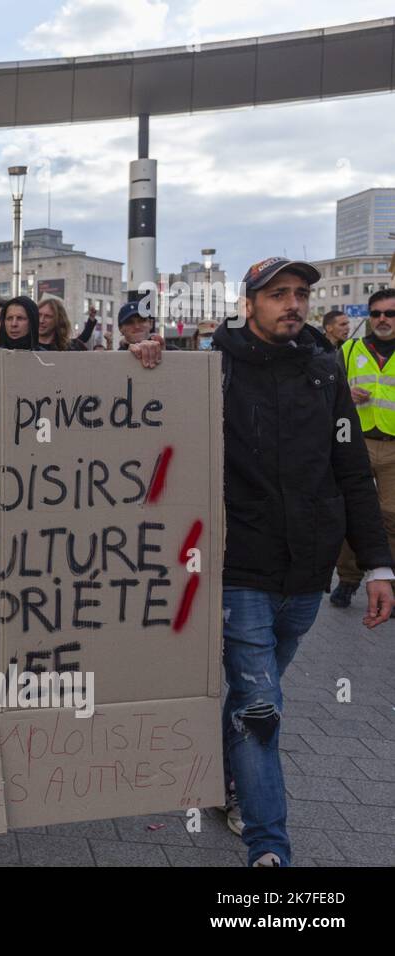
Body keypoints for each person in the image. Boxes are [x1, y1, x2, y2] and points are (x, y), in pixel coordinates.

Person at [137, 257, 393, 866]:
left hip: (307, 570)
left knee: (257, 693)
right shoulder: (210, 369)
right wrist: (143, 364)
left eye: (301, 293)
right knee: (260, 703)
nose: (293, 304)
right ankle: (268, 846)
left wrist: (378, 566)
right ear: (248, 302)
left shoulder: (324, 371)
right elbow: (130, 419)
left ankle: (228, 773)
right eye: (278, 294)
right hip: (239, 567)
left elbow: (353, 474)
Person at [332, 288, 395, 610]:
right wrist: (345, 391)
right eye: (376, 313)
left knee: (390, 516)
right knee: (351, 513)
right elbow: (327, 386)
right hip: (354, 443)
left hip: (394, 447)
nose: (383, 319)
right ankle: (347, 579)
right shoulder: (351, 348)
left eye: (390, 313)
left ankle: (386, 582)